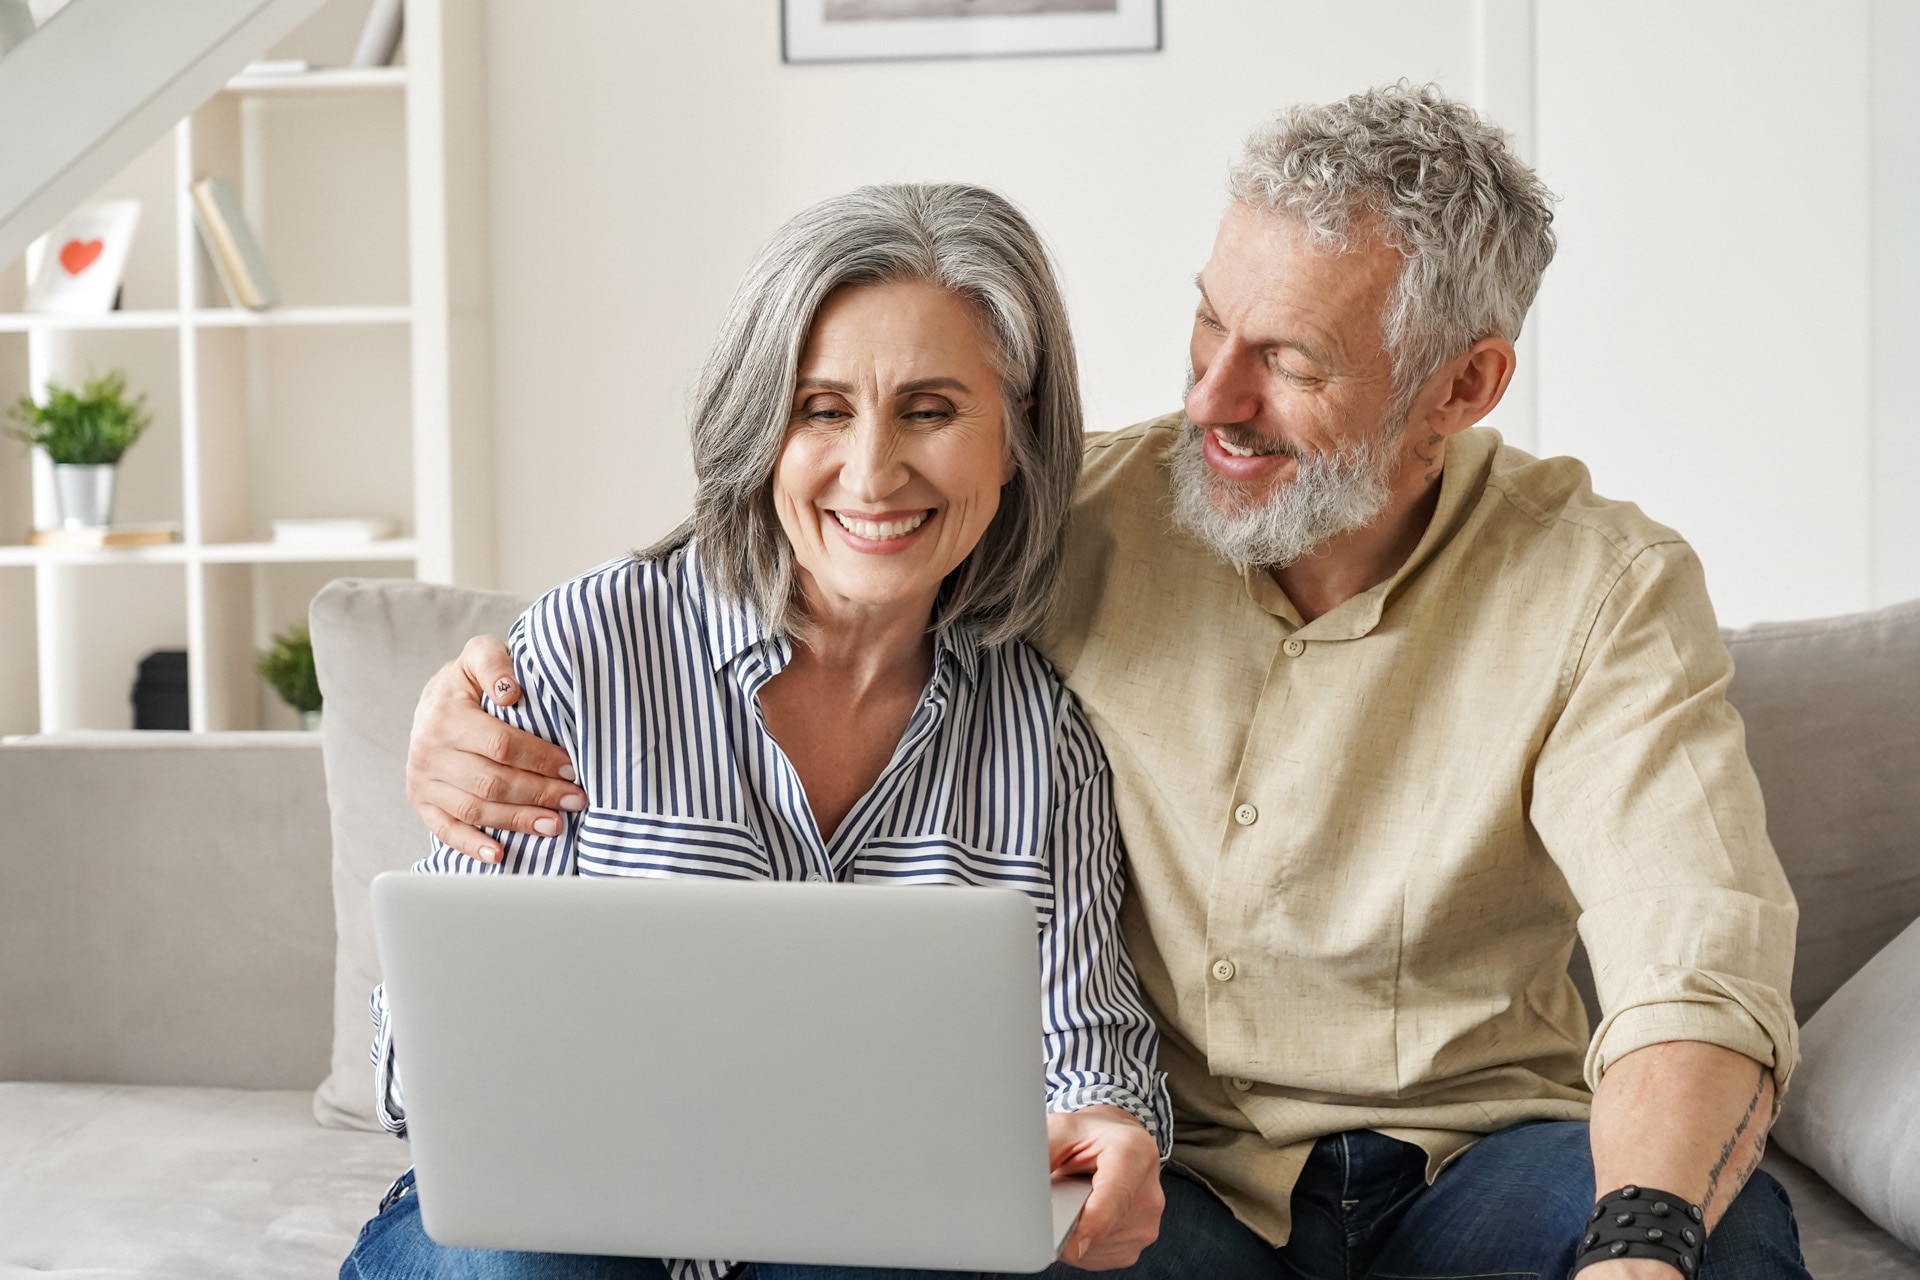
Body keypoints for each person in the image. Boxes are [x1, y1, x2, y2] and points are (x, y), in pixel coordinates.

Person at [408, 85, 1812, 1279]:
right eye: (1209, 327)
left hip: (1475, 1166)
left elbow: (1691, 952)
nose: (1209, 400)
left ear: (1463, 385)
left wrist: (1639, 1236)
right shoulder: (1070, 511)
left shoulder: (1602, 586)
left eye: (1287, 361)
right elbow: (801, 523)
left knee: (1725, 1234)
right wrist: (468, 710)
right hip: (1184, 1189)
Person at [342, 183, 1174, 1280]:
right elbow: (419, 1053)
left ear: (1014, 443)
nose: (872, 472)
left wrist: (1112, 1129)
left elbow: (1082, 1051)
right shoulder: (592, 647)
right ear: (761, 428)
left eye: (929, 410)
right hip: (556, 1235)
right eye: (822, 409)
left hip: (847, 1244)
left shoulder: (1037, 733)